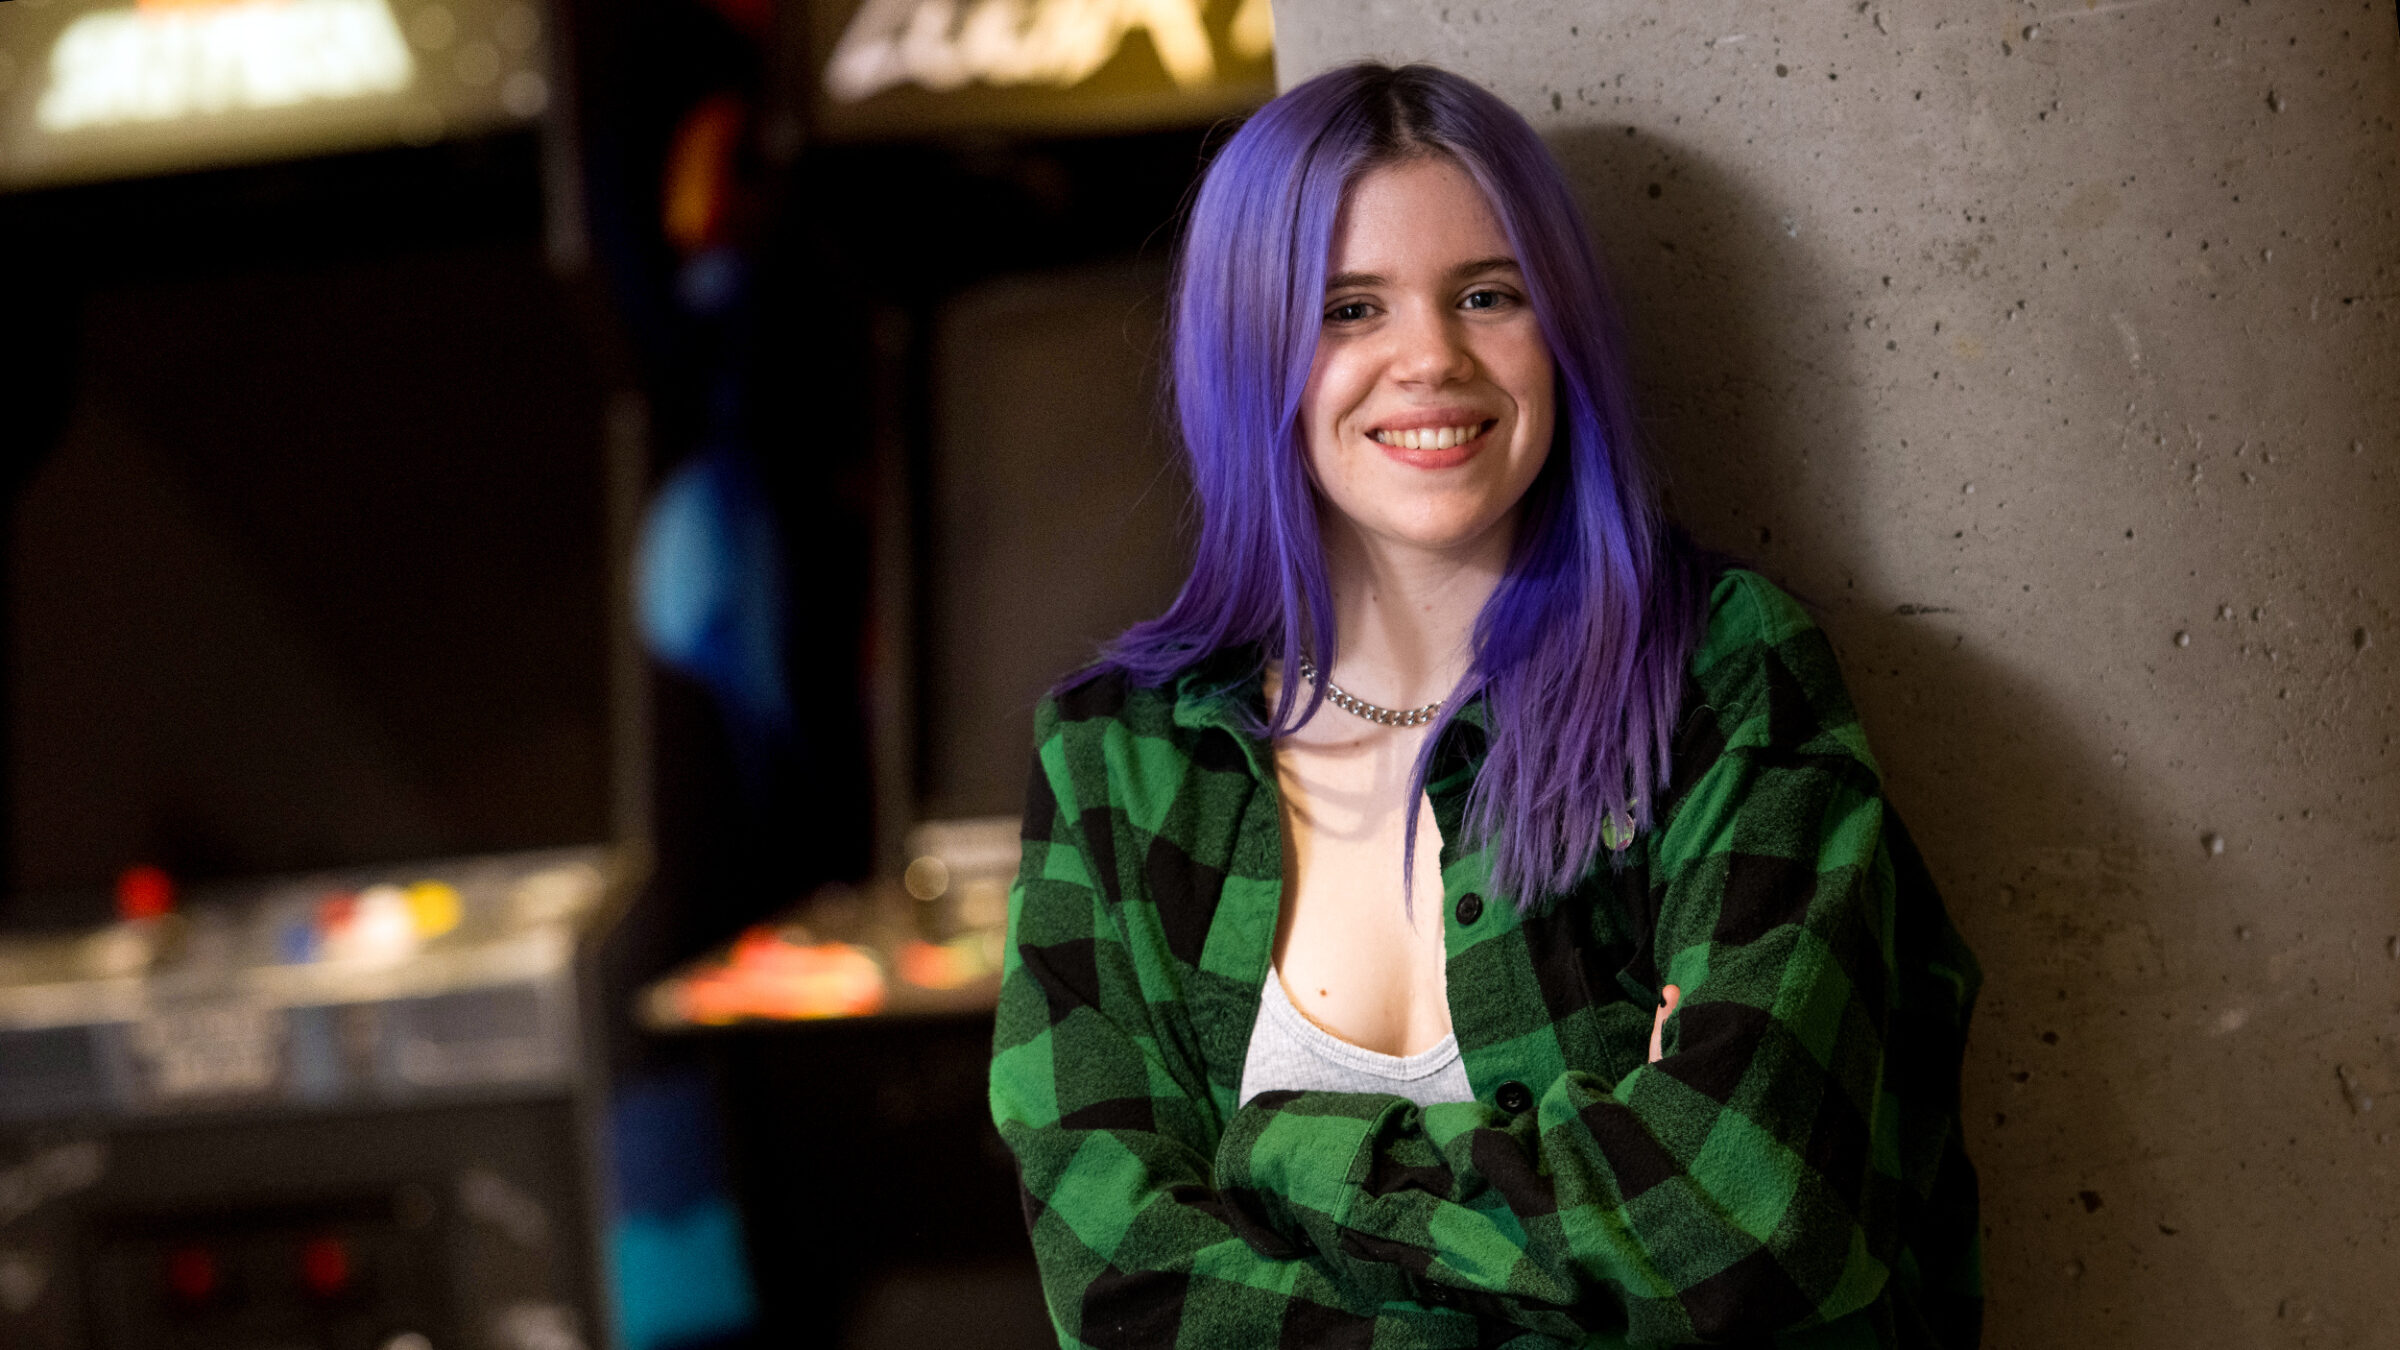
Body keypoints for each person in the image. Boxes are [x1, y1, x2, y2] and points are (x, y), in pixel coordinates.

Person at [988, 62, 1982, 1349]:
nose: (1431, 359)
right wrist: (1599, 1190)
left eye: (1487, 295)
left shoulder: (1726, 680)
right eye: (1350, 308)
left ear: (1561, 331)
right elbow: (1120, 1293)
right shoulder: (1113, 760)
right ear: (1247, 345)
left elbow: (1748, 1226)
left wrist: (1280, 1154)